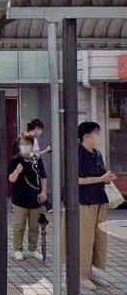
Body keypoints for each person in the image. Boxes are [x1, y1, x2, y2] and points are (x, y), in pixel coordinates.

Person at [72, 121, 116, 291]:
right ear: (85, 136)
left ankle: (90, 272)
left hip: (99, 198)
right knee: (85, 238)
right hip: (84, 201)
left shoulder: (97, 153)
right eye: (95, 133)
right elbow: (77, 179)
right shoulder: (78, 153)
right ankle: (81, 274)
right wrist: (101, 179)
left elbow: (100, 174)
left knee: (98, 237)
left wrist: (107, 177)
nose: (98, 136)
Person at [8, 135, 47, 261]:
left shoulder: (37, 159)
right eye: (22, 144)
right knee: (19, 225)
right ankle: (18, 249)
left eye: (27, 144)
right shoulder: (16, 160)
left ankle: (33, 248)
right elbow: (11, 179)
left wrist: (44, 192)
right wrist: (17, 171)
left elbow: (43, 176)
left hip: (35, 198)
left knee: (34, 226)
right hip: (20, 199)